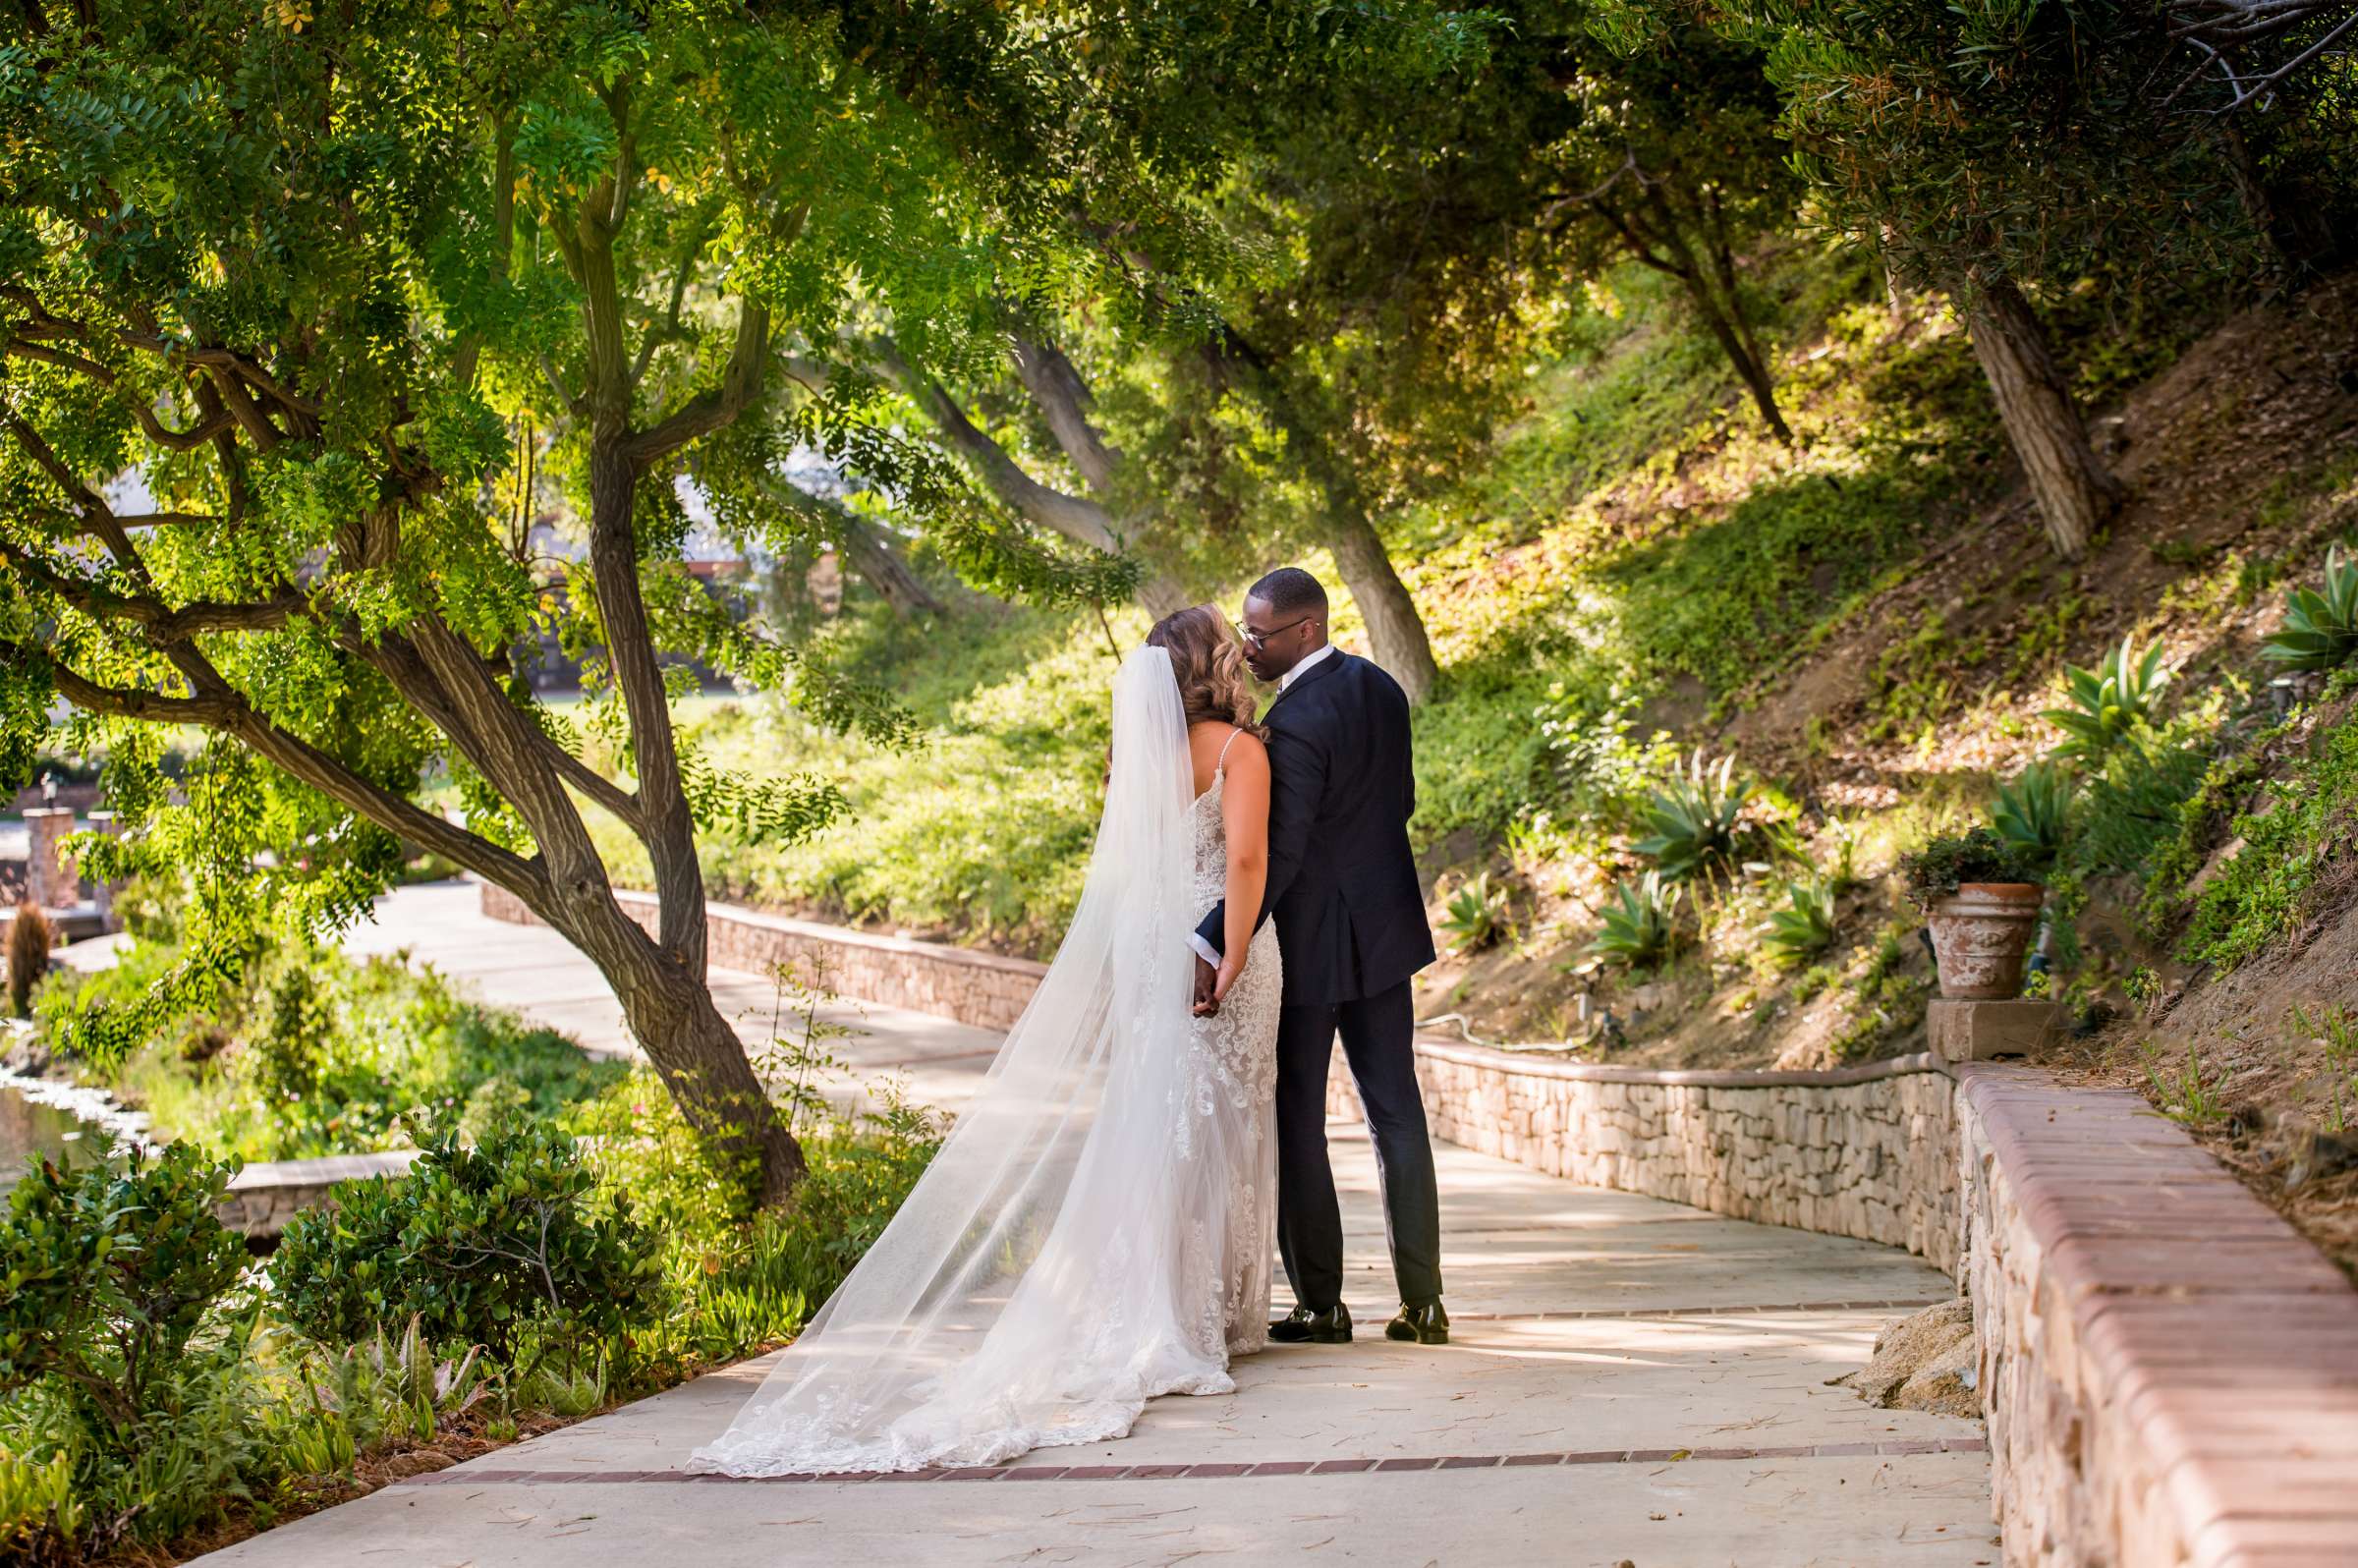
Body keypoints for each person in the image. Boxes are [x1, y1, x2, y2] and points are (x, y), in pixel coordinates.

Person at [691, 605, 1282, 1476]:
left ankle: (1165, 1303)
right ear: (1217, 664)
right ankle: (1206, 1315)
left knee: (1162, 1118)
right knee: (1219, 1117)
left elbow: (1125, 865)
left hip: (1156, 944)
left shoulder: (1139, 758)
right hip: (1222, 945)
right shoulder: (1239, 752)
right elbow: (1244, 863)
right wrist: (1230, 955)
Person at [1190, 566, 1446, 1347]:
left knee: (1299, 1120)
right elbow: (1398, 803)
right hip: (1385, 933)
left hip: (1309, 946)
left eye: (1260, 635)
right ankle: (1425, 1306)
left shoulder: (1293, 722)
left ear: (1306, 629)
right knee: (1396, 1114)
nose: (1249, 648)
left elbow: (1279, 854)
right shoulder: (1381, 689)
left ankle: (1322, 1306)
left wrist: (1212, 938)